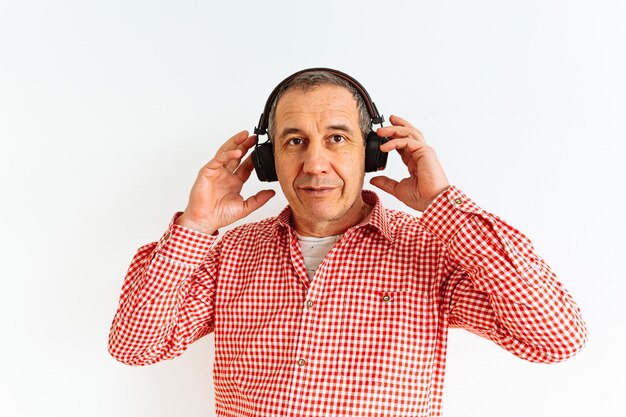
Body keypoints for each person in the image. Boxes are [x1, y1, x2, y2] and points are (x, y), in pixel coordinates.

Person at [108, 68, 588, 416]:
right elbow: (135, 346)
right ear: (269, 160)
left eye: (337, 138)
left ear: (374, 153)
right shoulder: (230, 255)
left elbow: (556, 338)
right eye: (294, 141)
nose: (315, 163)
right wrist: (195, 226)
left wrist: (443, 202)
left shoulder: (430, 252)